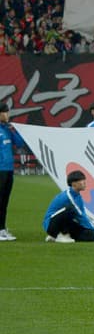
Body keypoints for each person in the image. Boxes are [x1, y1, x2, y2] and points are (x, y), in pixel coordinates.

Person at [43, 169, 94, 242]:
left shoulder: (78, 196)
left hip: (66, 222)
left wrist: (93, 232)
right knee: (69, 209)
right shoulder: (69, 196)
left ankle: (55, 237)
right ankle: (61, 235)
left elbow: (83, 214)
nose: (85, 182)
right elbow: (81, 216)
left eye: (84, 180)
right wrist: (93, 230)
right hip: (50, 224)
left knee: (91, 236)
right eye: (82, 180)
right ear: (74, 184)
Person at [0, 102, 19, 241]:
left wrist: (14, 130)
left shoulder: (7, 129)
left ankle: (2, 228)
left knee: (4, 201)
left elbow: (19, 143)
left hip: (8, 169)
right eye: (5, 112)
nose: (8, 115)